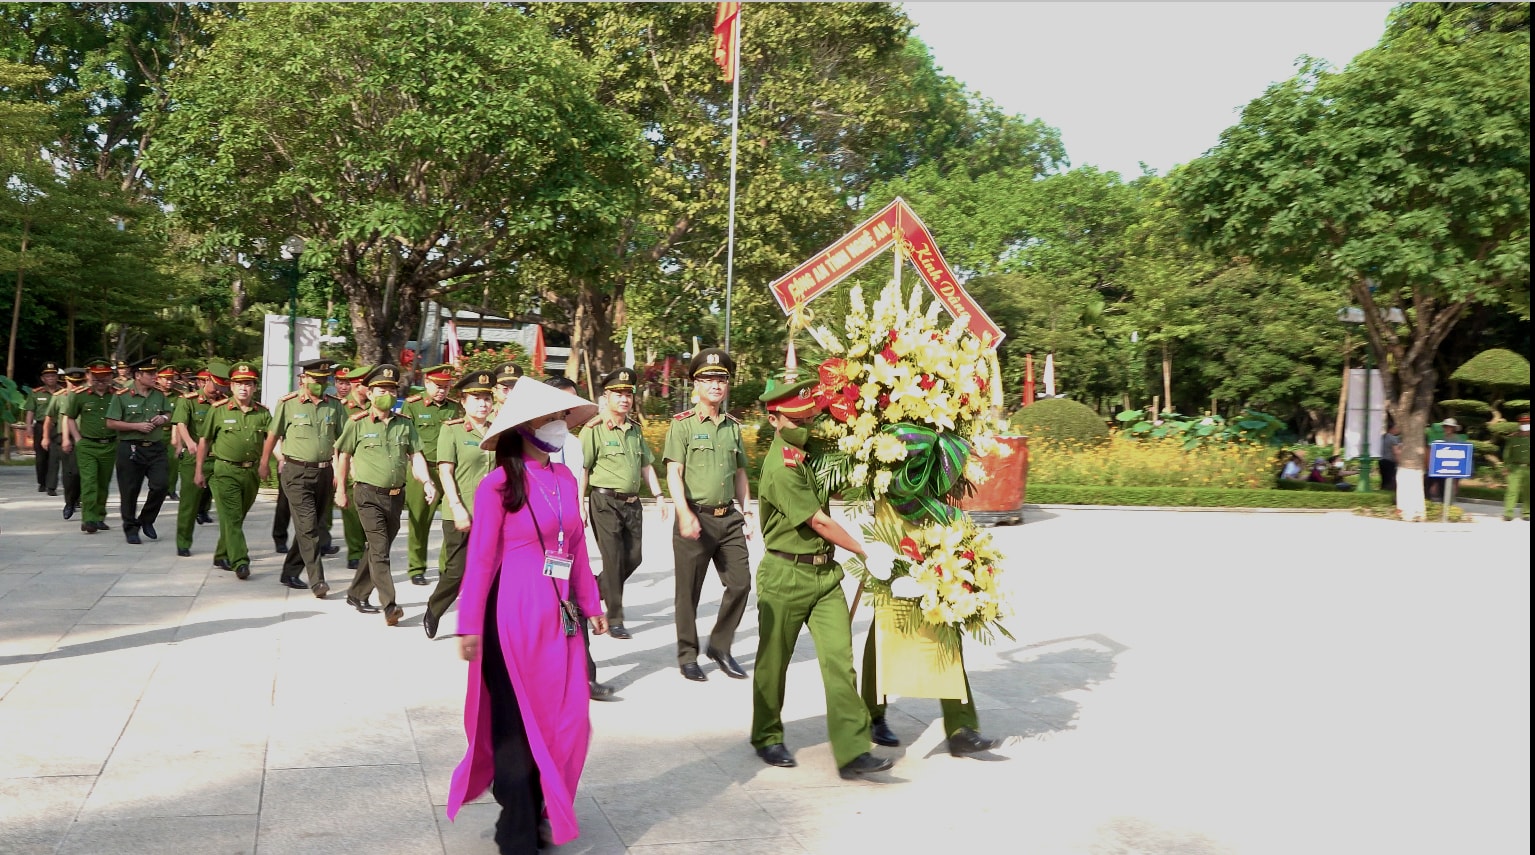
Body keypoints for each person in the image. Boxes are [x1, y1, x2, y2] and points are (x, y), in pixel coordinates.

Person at [446, 376, 606, 854]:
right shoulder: (497, 485)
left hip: (561, 618)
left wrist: (592, 601)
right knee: (516, 725)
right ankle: (517, 829)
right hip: (511, 618)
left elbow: (574, 546)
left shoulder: (565, 478)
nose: (559, 424)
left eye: (561, 416)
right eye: (549, 417)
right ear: (522, 428)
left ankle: (538, 804)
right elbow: (480, 559)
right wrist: (469, 623)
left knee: (568, 720)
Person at [750, 372, 894, 779]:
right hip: (784, 574)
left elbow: (853, 453)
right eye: (796, 421)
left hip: (824, 575)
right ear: (774, 419)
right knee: (773, 662)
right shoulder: (781, 466)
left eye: (809, 418)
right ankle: (766, 735)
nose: (805, 426)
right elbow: (819, 522)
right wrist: (866, 550)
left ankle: (851, 751)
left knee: (839, 661)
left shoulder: (813, 449)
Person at [663, 348, 755, 682]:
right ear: (695, 384)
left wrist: (747, 510)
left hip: (728, 518)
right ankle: (688, 655)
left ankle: (720, 645)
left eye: (721, 379)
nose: (716, 385)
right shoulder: (683, 425)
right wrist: (684, 513)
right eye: (708, 379)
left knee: (741, 584)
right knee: (688, 592)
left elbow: (741, 473)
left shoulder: (732, 427)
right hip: (695, 517)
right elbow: (674, 472)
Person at [334, 364, 436, 625]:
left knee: (378, 549)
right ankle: (390, 605)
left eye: (391, 389)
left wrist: (426, 481)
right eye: (381, 389)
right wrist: (339, 489)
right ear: (369, 393)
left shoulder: (405, 425)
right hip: (367, 494)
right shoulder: (357, 423)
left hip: (395, 496)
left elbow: (416, 456)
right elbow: (343, 456)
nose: (387, 394)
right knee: (380, 550)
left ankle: (356, 593)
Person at [577, 367, 670, 640]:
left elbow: (646, 466)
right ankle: (615, 618)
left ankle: (592, 590)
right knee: (614, 558)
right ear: (606, 397)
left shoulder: (634, 430)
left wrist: (660, 496)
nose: (624, 399)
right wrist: (579, 504)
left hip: (632, 504)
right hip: (604, 501)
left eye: (628, 393)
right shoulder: (592, 429)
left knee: (634, 557)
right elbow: (583, 469)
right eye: (618, 393)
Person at [546, 376, 615, 700]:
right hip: (533, 545)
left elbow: (575, 487)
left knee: (574, 606)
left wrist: (578, 515)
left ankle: (585, 678)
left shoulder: (572, 446)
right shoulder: (518, 445)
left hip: (565, 541)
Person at [262, 359, 348, 597]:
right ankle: (317, 580)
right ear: (304, 379)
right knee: (308, 526)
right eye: (317, 380)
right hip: (296, 472)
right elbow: (273, 434)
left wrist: (341, 477)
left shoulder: (335, 406)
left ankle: (289, 571)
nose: (321, 384)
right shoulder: (288, 404)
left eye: (324, 380)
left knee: (310, 527)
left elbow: (343, 442)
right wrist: (264, 462)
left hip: (324, 472)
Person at [427, 370, 498, 639]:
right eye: (476, 398)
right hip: (461, 511)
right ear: (463, 401)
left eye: (486, 398)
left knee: (489, 570)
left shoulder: (498, 430)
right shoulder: (452, 430)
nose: (482, 403)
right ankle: (435, 609)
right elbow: (445, 471)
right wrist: (456, 506)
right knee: (457, 571)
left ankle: (478, 621)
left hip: (492, 514)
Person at [195, 363, 271, 580]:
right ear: (231, 386)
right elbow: (205, 440)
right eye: (239, 384)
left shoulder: (263, 413)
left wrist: (277, 461)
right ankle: (241, 561)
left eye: (248, 384)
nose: (243, 388)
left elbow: (271, 439)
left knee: (235, 518)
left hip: (251, 472)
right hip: (225, 470)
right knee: (233, 516)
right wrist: (199, 470)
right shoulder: (218, 410)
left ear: (254, 387)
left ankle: (221, 554)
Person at [403, 364, 464, 586]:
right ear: (427, 383)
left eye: (446, 387)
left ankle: (445, 567)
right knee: (419, 521)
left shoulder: (456, 408)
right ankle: (416, 568)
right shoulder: (413, 406)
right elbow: (407, 439)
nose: (442, 391)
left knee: (451, 520)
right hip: (422, 470)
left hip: (449, 470)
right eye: (438, 386)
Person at [106, 356, 176, 545]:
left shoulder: (159, 395)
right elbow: (111, 422)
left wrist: (164, 419)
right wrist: (135, 426)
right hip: (130, 448)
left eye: (155, 372)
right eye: (150, 373)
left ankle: (146, 520)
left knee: (161, 485)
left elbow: (168, 413)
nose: (155, 376)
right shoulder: (122, 396)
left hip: (156, 448)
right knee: (130, 491)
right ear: (138, 375)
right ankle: (130, 528)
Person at [172, 363, 228, 557]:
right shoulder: (188, 401)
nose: (219, 390)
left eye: (223, 386)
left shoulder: (225, 403)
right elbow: (181, 423)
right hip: (194, 458)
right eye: (216, 385)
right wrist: (188, 442)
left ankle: (227, 548)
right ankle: (183, 542)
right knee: (189, 503)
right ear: (206, 381)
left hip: (219, 460)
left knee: (226, 506)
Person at [63, 359, 121, 534]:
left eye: (104, 378)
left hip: (110, 445)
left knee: (104, 482)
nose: (100, 382)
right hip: (87, 445)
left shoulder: (118, 395)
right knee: (89, 482)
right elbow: (70, 417)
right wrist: (77, 438)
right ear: (88, 376)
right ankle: (88, 519)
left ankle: (99, 516)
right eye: (96, 378)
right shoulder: (79, 395)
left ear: (111, 376)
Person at [334, 364, 372, 569]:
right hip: (349, 467)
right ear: (358, 386)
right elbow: (336, 442)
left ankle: (368, 550)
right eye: (369, 385)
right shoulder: (341, 407)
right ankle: (355, 553)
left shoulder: (374, 407)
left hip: (371, 468)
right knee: (352, 515)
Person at [42, 367, 86, 520]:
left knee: (85, 473)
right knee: (71, 473)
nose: (76, 385)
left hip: (86, 437)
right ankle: (70, 502)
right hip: (66, 438)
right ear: (66, 380)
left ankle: (83, 502)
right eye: (73, 382)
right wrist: (45, 437)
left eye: (79, 382)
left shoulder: (87, 396)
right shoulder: (59, 396)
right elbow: (49, 419)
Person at [23, 362, 61, 494]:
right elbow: (30, 411)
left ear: (57, 377)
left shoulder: (63, 392)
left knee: (54, 457)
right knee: (41, 458)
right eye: (48, 376)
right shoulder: (36, 393)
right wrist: (28, 427)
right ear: (43, 378)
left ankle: (51, 486)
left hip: (56, 427)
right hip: (39, 426)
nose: (51, 378)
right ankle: (42, 482)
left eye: (53, 375)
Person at [1501, 413, 1530, 521]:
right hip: (1515, 468)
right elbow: (1507, 453)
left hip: (1529, 469)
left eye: (1527, 422)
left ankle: (1527, 513)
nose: (1525, 424)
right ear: (1520, 424)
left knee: (1528, 492)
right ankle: (1508, 513)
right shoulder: (1513, 438)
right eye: (1523, 422)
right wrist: (1506, 467)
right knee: (1512, 490)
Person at [1427, 418, 1463, 500]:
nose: (1447, 429)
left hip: (1451, 467)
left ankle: (1446, 503)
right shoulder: (1441, 439)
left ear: (1453, 428)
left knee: (1445, 488)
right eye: (1446, 427)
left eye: (1450, 427)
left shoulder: (1457, 439)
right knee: (1431, 481)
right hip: (1440, 467)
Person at [1379, 424, 1401, 491]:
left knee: (1384, 479)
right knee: (1390, 479)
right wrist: (1399, 461)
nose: (1398, 430)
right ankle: (1388, 491)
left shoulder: (1383, 437)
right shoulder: (1393, 438)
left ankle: (1383, 490)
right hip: (1390, 461)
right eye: (1396, 428)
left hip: (1381, 460)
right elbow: (1395, 451)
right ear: (1392, 429)